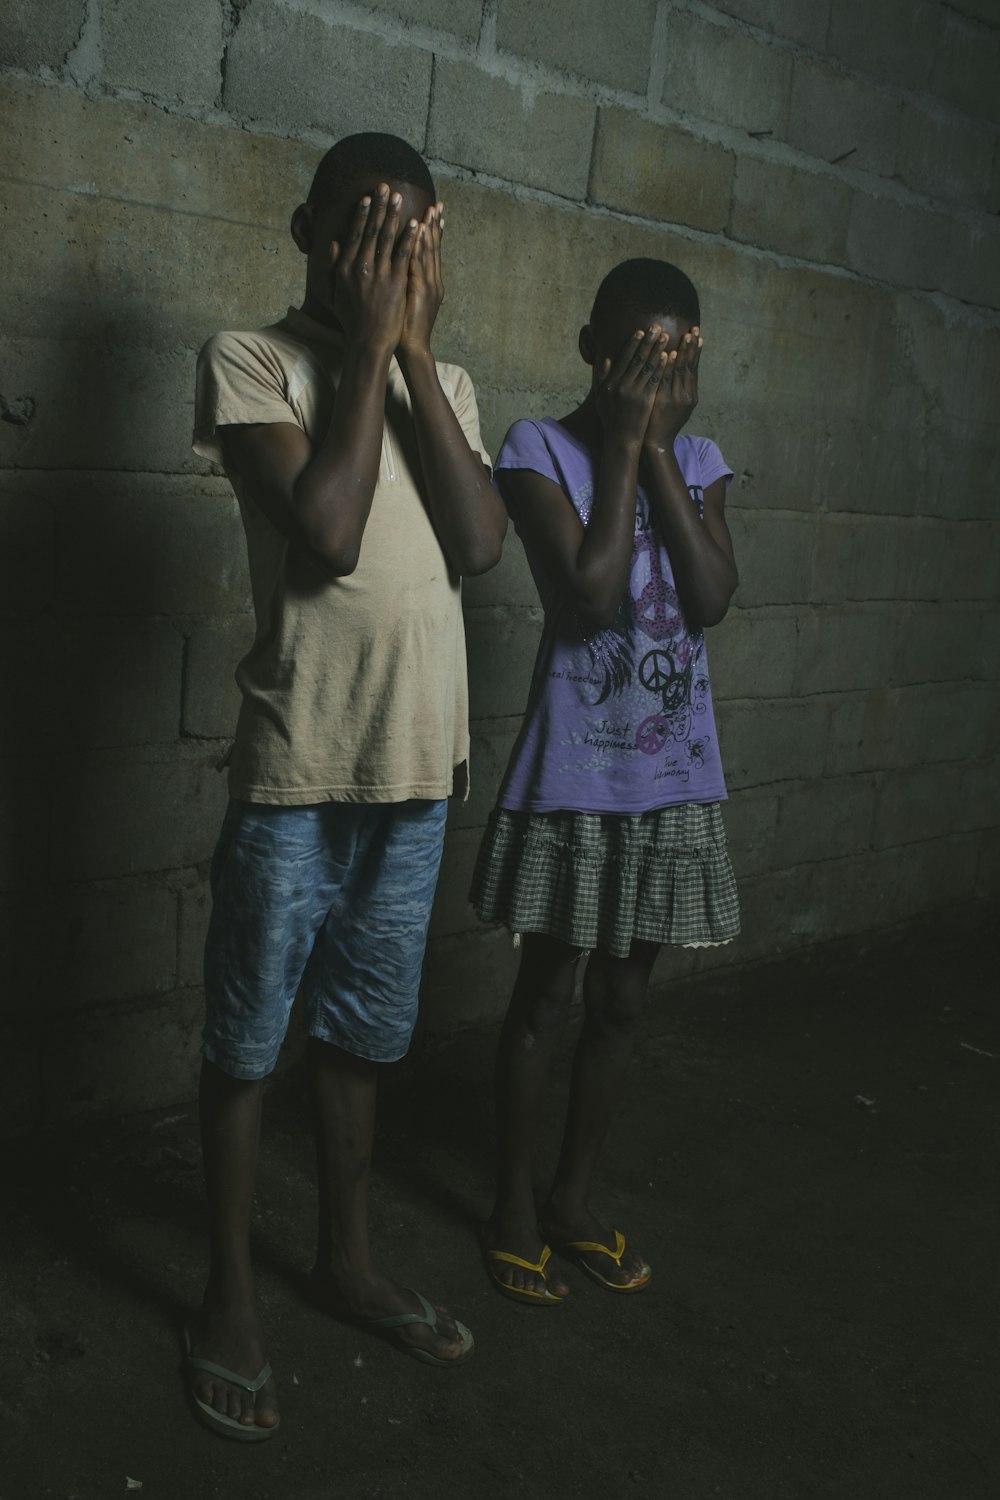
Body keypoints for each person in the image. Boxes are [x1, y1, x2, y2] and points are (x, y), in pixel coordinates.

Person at [185, 132, 506, 1439]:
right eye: (364, 230)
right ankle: (228, 1296)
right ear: (308, 228)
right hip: (298, 770)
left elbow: (480, 541)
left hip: (415, 772)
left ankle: (347, 1257)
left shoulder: (453, 383)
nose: (387, 258)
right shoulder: (253, 359)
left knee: (364, 1035)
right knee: (250, 1038)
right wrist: (371, 346)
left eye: (412, 236)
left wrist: (416, 352)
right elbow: (322, 531)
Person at [471, 258, 740, 1304]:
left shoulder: (704, 457)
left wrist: (663, 454)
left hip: (672, 776)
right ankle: (512, 1204)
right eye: (639, 354)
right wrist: (628, 445)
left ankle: (575, 1198)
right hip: (576, 776)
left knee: (621, 1000)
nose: (660, 373)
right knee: (543, 993)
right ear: (594, 350)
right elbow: (586, 595)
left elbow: (710, 597)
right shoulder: (538, 448)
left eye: (680, 356)